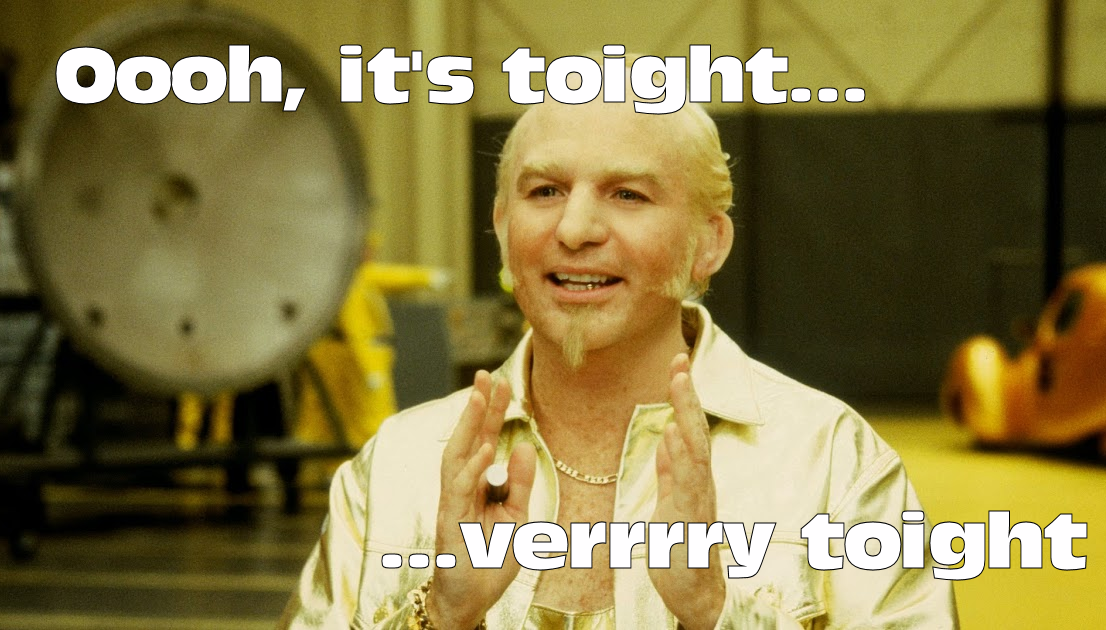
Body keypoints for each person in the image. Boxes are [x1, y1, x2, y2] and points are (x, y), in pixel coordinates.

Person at [278, 93, 959, 629]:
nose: (575, 229)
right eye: (545, 191)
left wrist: (717, 613)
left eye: (627, 194)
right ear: (503, 227)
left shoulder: (832, 465)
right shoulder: (393, 468)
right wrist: (442, 617)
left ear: (708, 243)